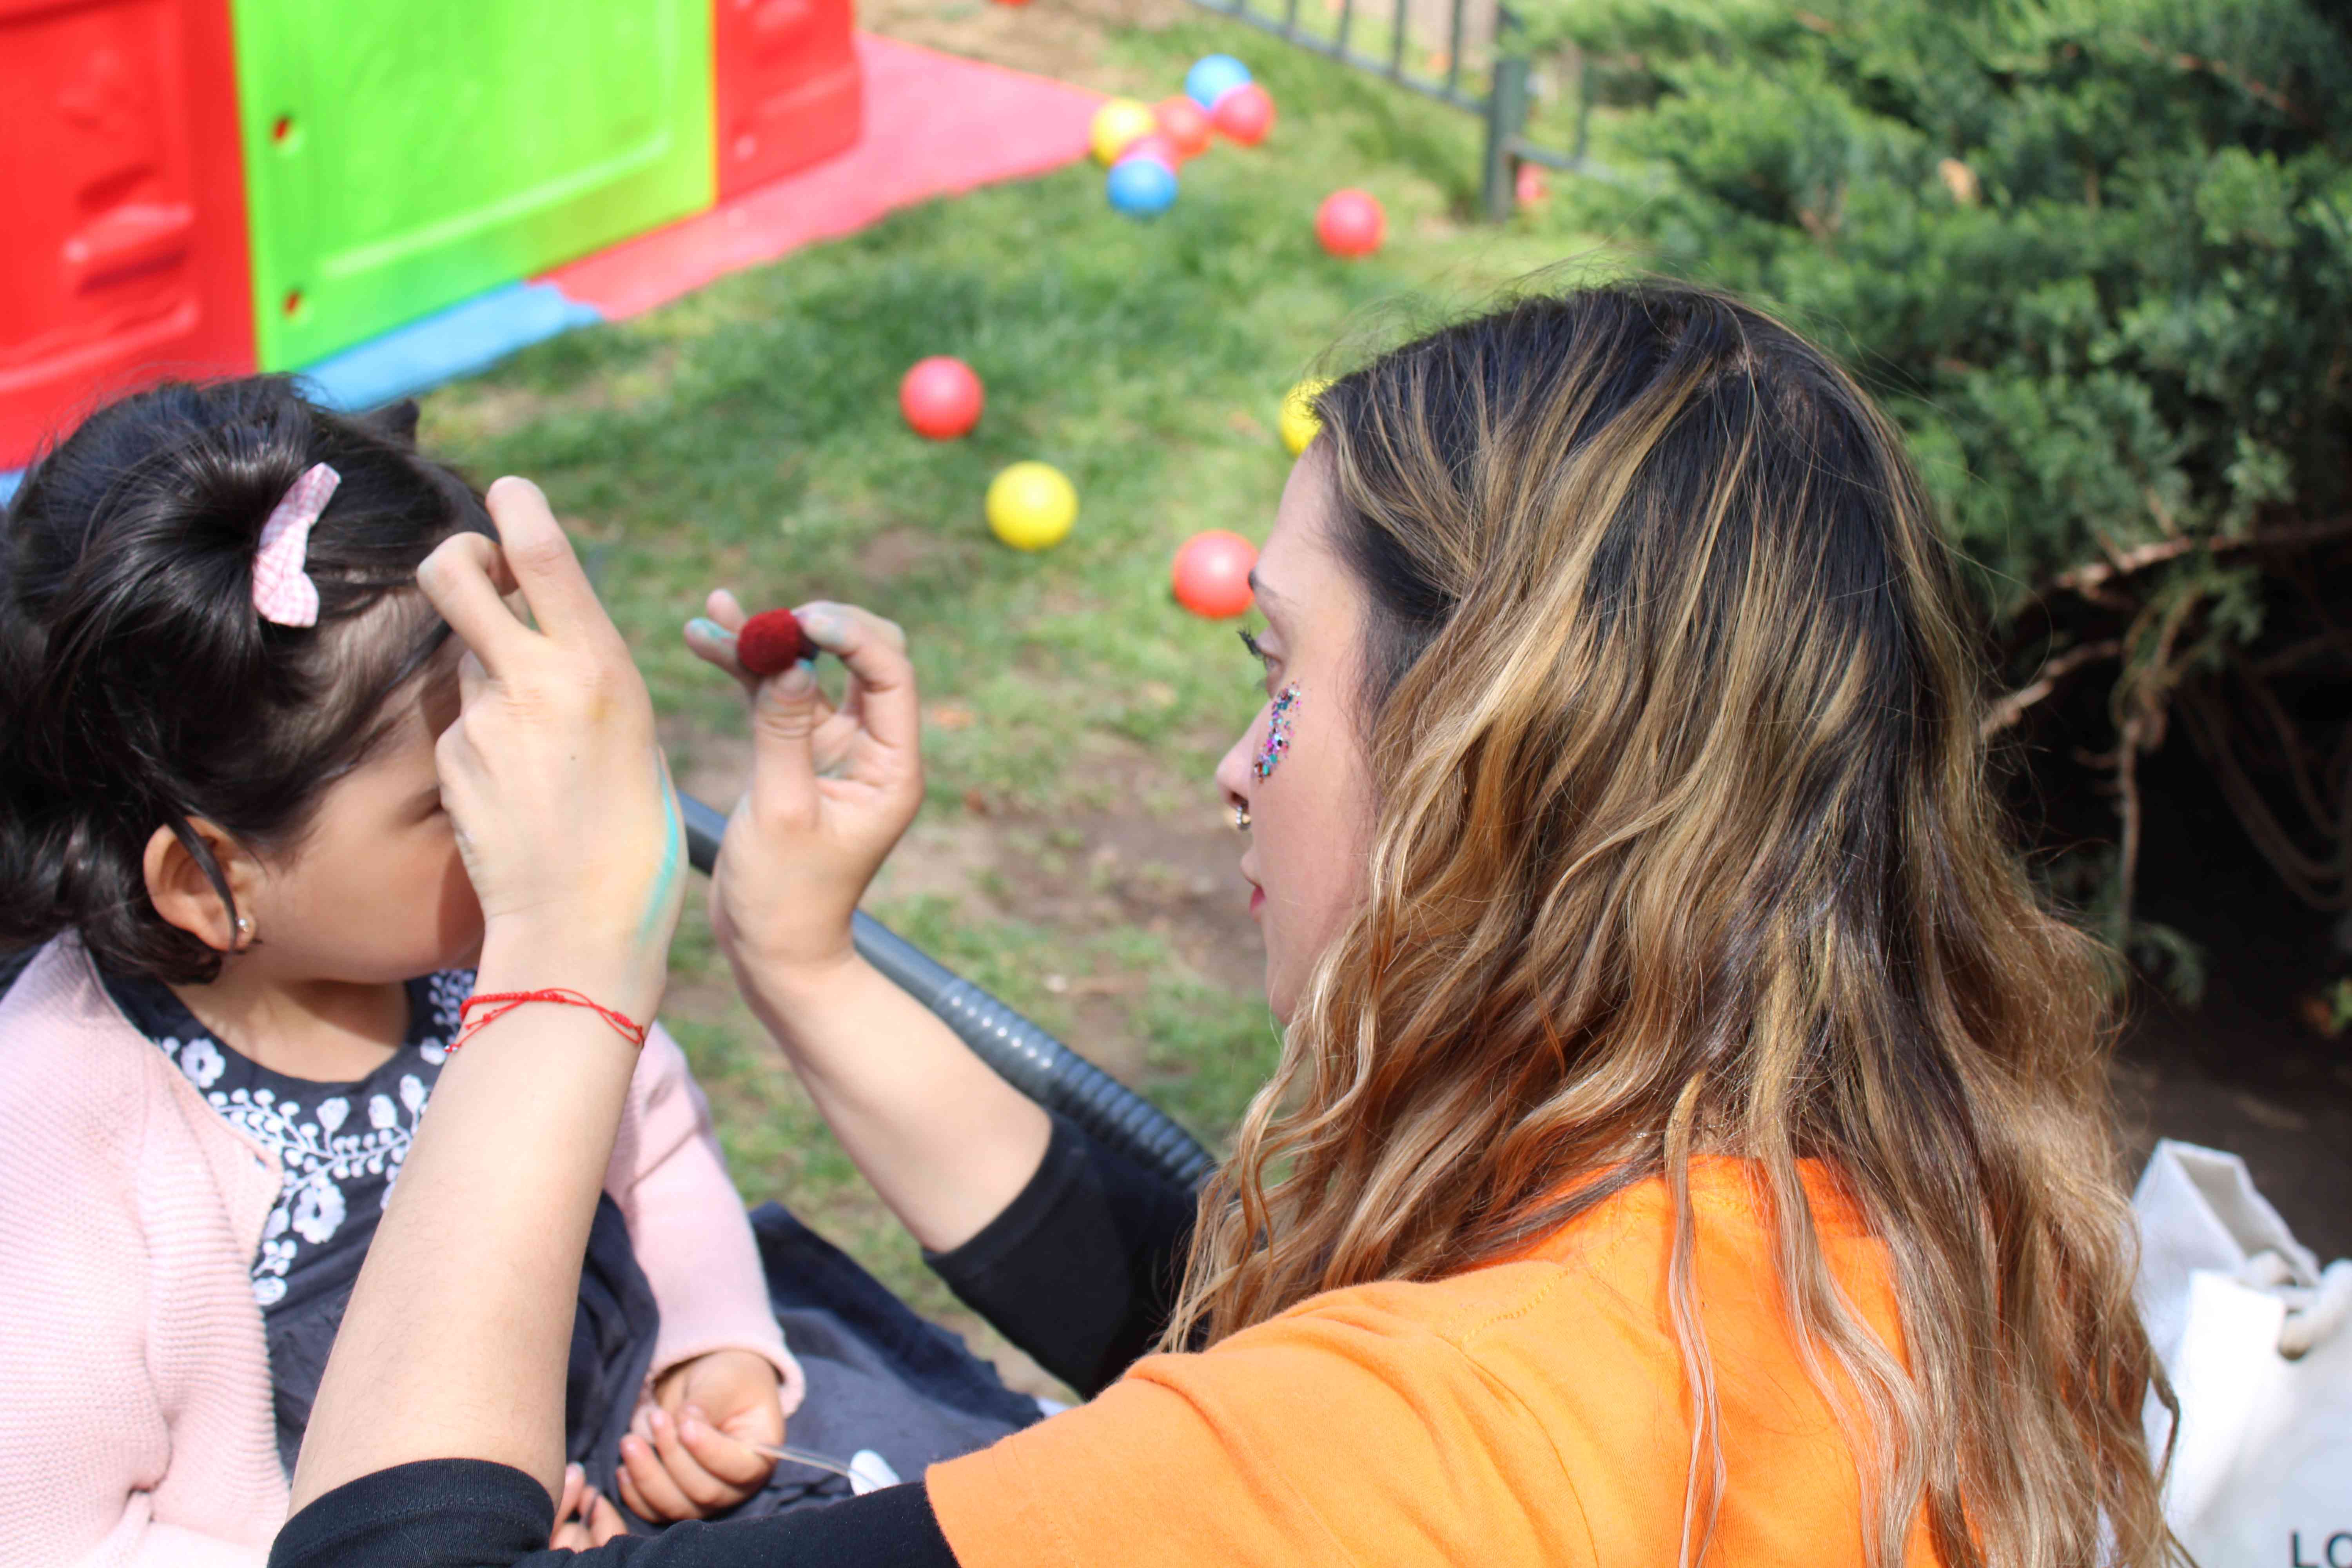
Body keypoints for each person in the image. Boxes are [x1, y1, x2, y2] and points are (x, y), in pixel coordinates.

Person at [271, 284, 2178, 1567]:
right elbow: (1218, 1315)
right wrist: (801, 958)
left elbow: (1288, 1435)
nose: (1235, 764)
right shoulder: (1850, 1213)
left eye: (1281, 670)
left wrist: (553, 970)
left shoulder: (1442, 1447)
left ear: (1484, 750)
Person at [0, 381, 1035, 1566]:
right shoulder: (52, 1129)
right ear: (210, 882)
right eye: (453, 791)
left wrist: (710, 1349)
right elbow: (53, 1536)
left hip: (626, 1459)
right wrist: (418, 1532)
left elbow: (660, 1151)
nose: (521, 799)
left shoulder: (487, 939)